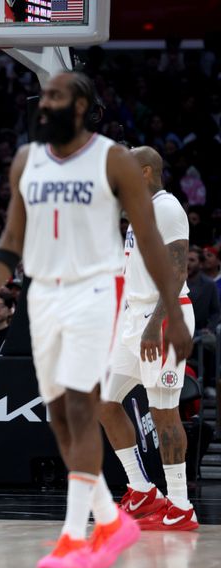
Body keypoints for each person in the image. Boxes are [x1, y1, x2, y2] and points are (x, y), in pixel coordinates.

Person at [0, 72, 192, 568]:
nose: (47, 103)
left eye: (58, 96)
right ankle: (121, 507)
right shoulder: (31, 163)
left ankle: (86, 530)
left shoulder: (126, 174)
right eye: (44, 96)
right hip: (57, 298)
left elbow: (163, 254)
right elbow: (13, 236)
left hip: (108, 301)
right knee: (73, 415)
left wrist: (171, 313)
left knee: (91, 405)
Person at [99, 146, 197, 532]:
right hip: (133, 319)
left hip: (163, 316)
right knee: (104, 402)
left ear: (143, 172)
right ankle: (141, 490)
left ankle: (180, 504)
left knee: (163, 411)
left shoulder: (167, 208)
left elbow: (177, 269)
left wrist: (158, 322)